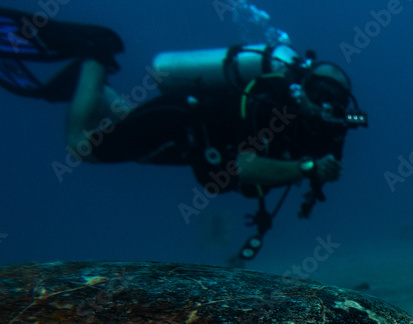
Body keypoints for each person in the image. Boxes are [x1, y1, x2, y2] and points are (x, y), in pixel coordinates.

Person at [0, 7, 367, 259]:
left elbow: (312, 172)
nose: (327, 106)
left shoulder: (327, 130)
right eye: (320, 94)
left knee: (132, 134)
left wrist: (316, 173)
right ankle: (94, 55)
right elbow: (244, 166)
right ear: (303, 87)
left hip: (199, 148)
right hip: (181, 118)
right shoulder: (272, 105)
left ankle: (94, 87)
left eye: (335, 100)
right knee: (82, 146)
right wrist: (308, 169)